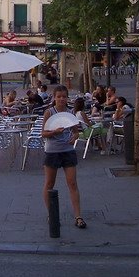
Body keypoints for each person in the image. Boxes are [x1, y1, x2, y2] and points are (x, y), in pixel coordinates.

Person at [41, 85, 86, 229]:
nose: (61, 99)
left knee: (72, 183)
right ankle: (51, 214)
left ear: (67, 98)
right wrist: (54, 132)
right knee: (49, 184)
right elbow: (43, 133)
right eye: (58, 97)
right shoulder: (49, 112)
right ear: (54, 98)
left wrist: (74, 137)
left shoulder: (70, 113)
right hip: (52, 151)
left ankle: (78, 216)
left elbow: (76, 131)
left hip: (67, 150)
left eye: (64, 97)